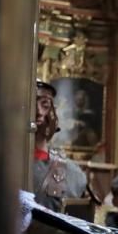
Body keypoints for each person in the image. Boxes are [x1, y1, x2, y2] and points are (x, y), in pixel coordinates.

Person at [32, 80, 88, 213]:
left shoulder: (71, 172)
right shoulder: (1, 163)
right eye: (32, 105)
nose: (38, 112)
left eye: (45, 104)